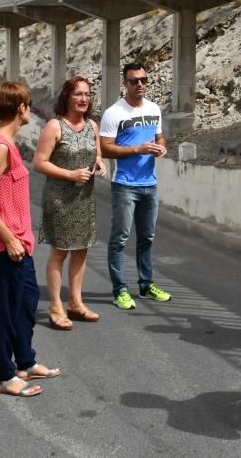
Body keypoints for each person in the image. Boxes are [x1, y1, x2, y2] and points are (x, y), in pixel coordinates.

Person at [0, 81, 61, 397]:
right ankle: (6, 374)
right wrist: (9, 239)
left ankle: (25, 359)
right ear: (20, 109)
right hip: (3, 244)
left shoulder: (5, 143)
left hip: (19, 242)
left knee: (26, 303)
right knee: (4, 311)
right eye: (28, 103)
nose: (30, 108)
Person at [34, 76, 108, 331]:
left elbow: (96, 151)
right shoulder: (55, 126)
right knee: (60, 251)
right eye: (78, 94)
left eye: (87, 94)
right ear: (66, 97)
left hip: (83, 198)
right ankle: (56, 306)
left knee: (81, 249)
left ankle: (76, 303)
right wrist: (70, 174)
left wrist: (99, 161)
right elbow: (40, 162)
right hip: (60, 199)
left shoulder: (92, 126)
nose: (84, 99)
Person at [99, 62, 171, 310]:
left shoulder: (153, 108)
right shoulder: (114, 113)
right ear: (124, 84)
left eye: (143, 80)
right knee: (120, 238)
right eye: (133, 81)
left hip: (150, 184)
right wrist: (137, 149)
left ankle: (146, 285)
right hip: (125, 185)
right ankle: (119, 290)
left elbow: (159, 135)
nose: (139, 84)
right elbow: (105, 147)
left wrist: (162, 146)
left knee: (147, 237)